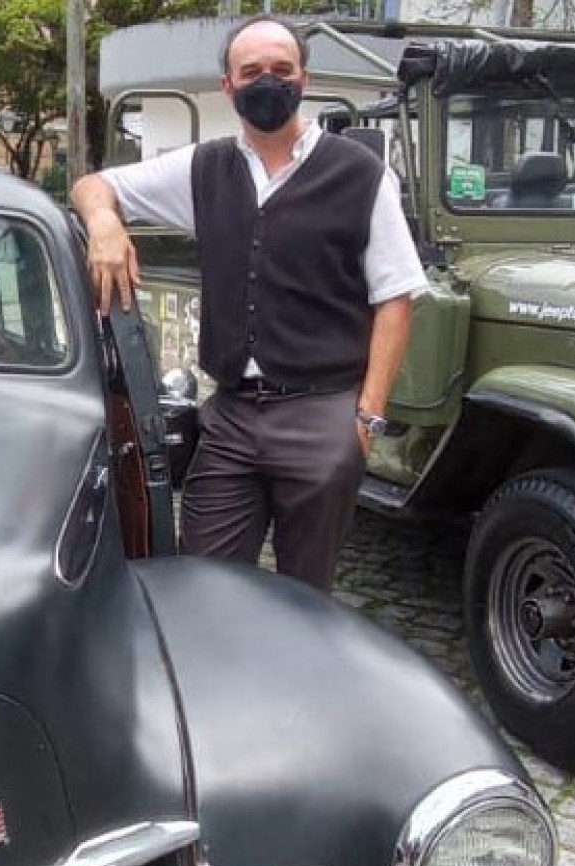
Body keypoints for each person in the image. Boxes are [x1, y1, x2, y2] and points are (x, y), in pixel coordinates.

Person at [71, 17, 428, 589]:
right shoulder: (204, 168)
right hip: (231, 417)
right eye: (253, 72)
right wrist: (105, 223)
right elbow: (92, 185)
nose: (269, 82)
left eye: (281, 70)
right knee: (205, 581)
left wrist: (365, 420)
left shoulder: (361, 174)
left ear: (303, 79)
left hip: (322, 414)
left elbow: (396, 299)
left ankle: (297, 678)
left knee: (306, 593)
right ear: (229, 86)